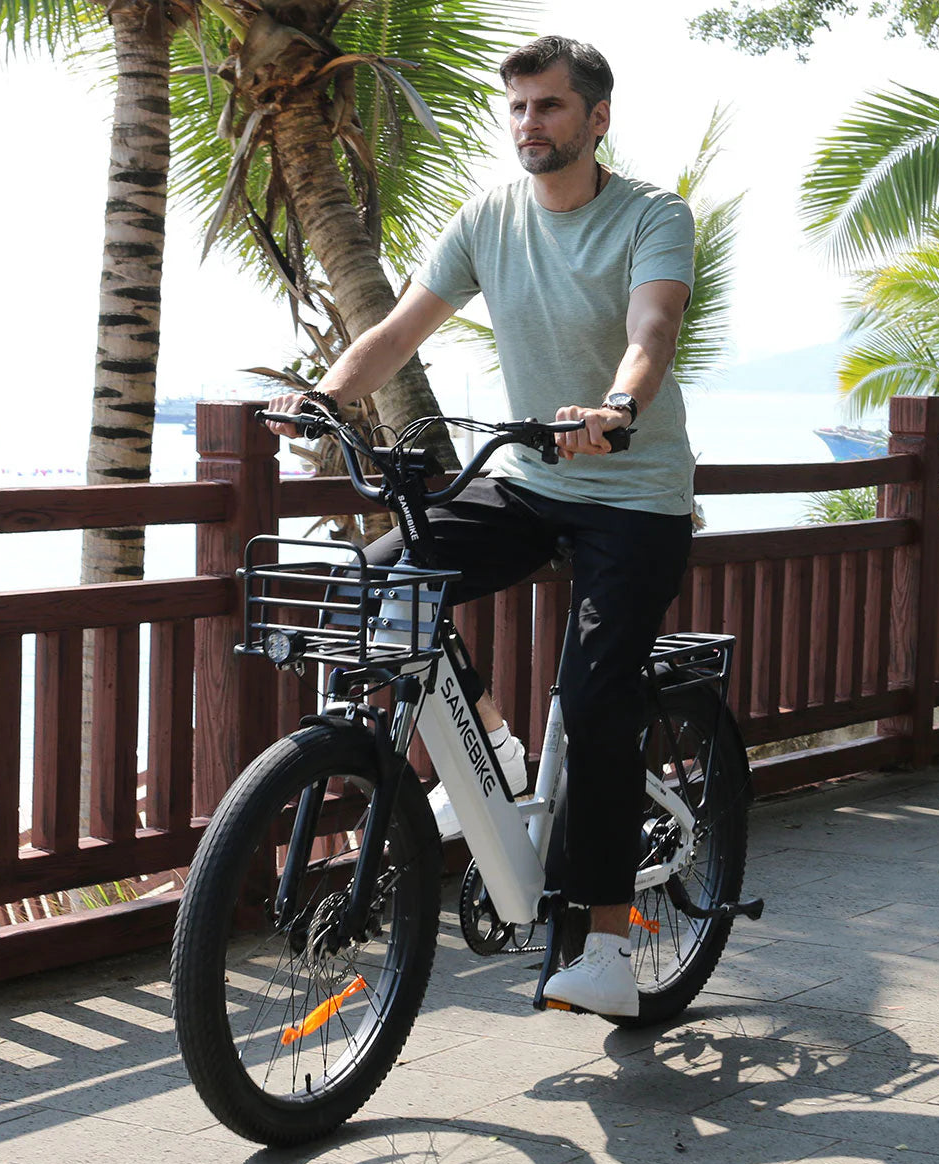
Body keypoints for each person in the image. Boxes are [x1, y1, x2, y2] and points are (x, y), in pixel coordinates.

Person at [266, 34, 697, 1018]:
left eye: (548, 107)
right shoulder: (488, 218)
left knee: (593, 708)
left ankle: (601, 945)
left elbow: (653, 330)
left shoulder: (651, 216)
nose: (528, 125)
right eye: (517, 108)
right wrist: (323, 398)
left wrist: (615, 407)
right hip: (533, 480)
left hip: (632, 495)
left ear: (595, 118)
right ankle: (483, 752)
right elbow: (396, 331)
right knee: (367, 580)